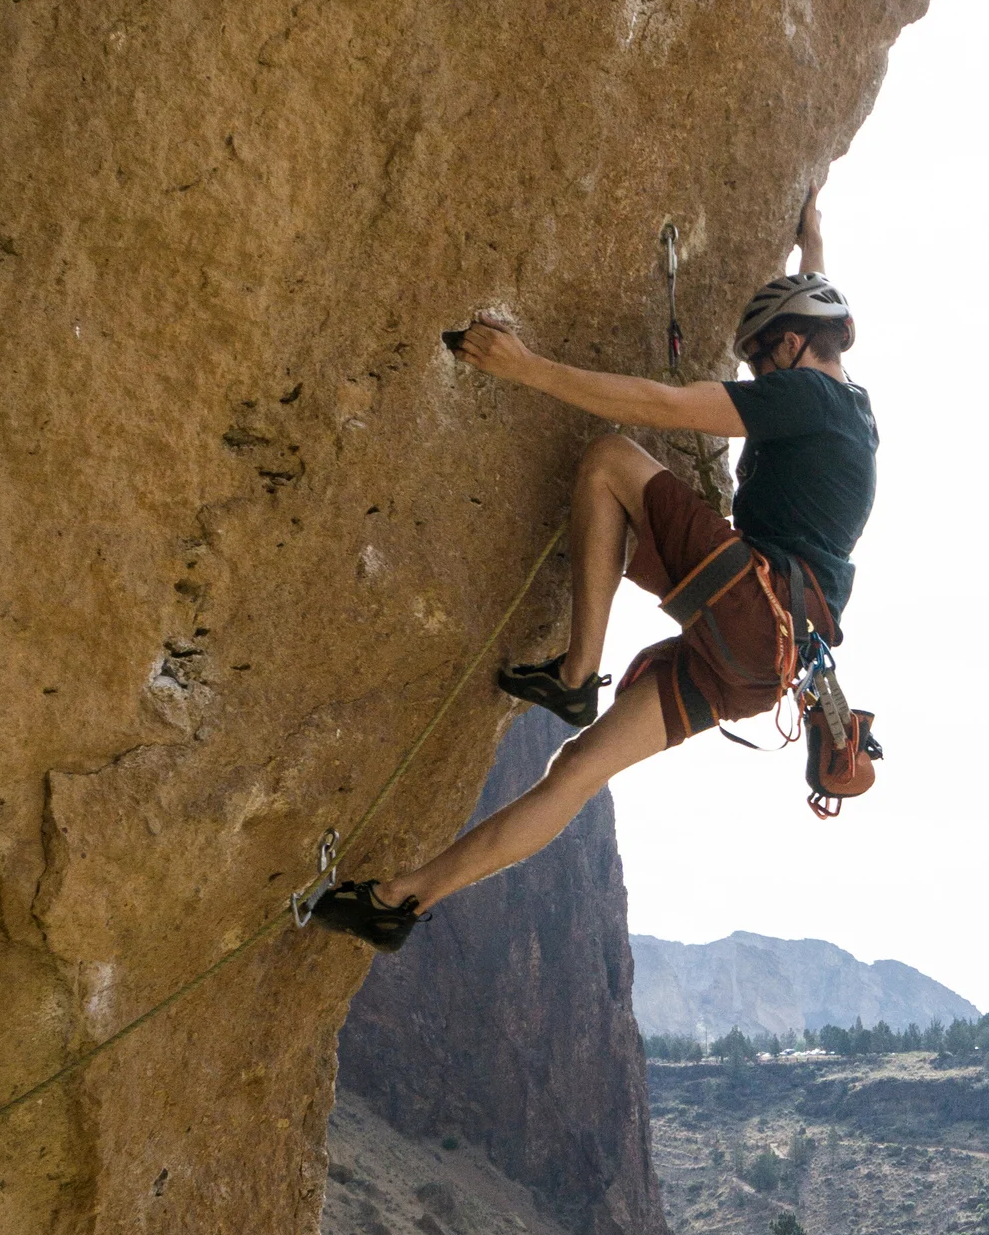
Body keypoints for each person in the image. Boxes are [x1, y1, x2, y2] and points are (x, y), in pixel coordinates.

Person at [308, 185, 875, 950]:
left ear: (793, 346)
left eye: (763, 356)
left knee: (611, 459)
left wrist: (528, 368)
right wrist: (812, 241)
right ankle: (400, 900)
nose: (759, 373)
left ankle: (576, 675)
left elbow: (663, 406)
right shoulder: (852, 409)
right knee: (576, 770)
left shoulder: (804, 395)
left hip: (754, 605)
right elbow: (814, 318)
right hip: (761, 665)